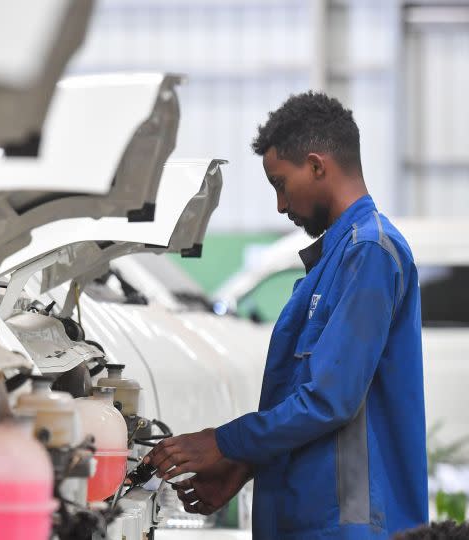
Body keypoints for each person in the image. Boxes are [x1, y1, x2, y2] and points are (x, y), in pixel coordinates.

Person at [144, 91, 428, 538]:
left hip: (348, 525)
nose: (279, 205)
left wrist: (223, 442)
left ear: (317, 166)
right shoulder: (337, 258)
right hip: (312, 517)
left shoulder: (369, 252)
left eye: (280, 183)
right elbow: (308, 403)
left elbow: (328, 400)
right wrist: (244, 465)